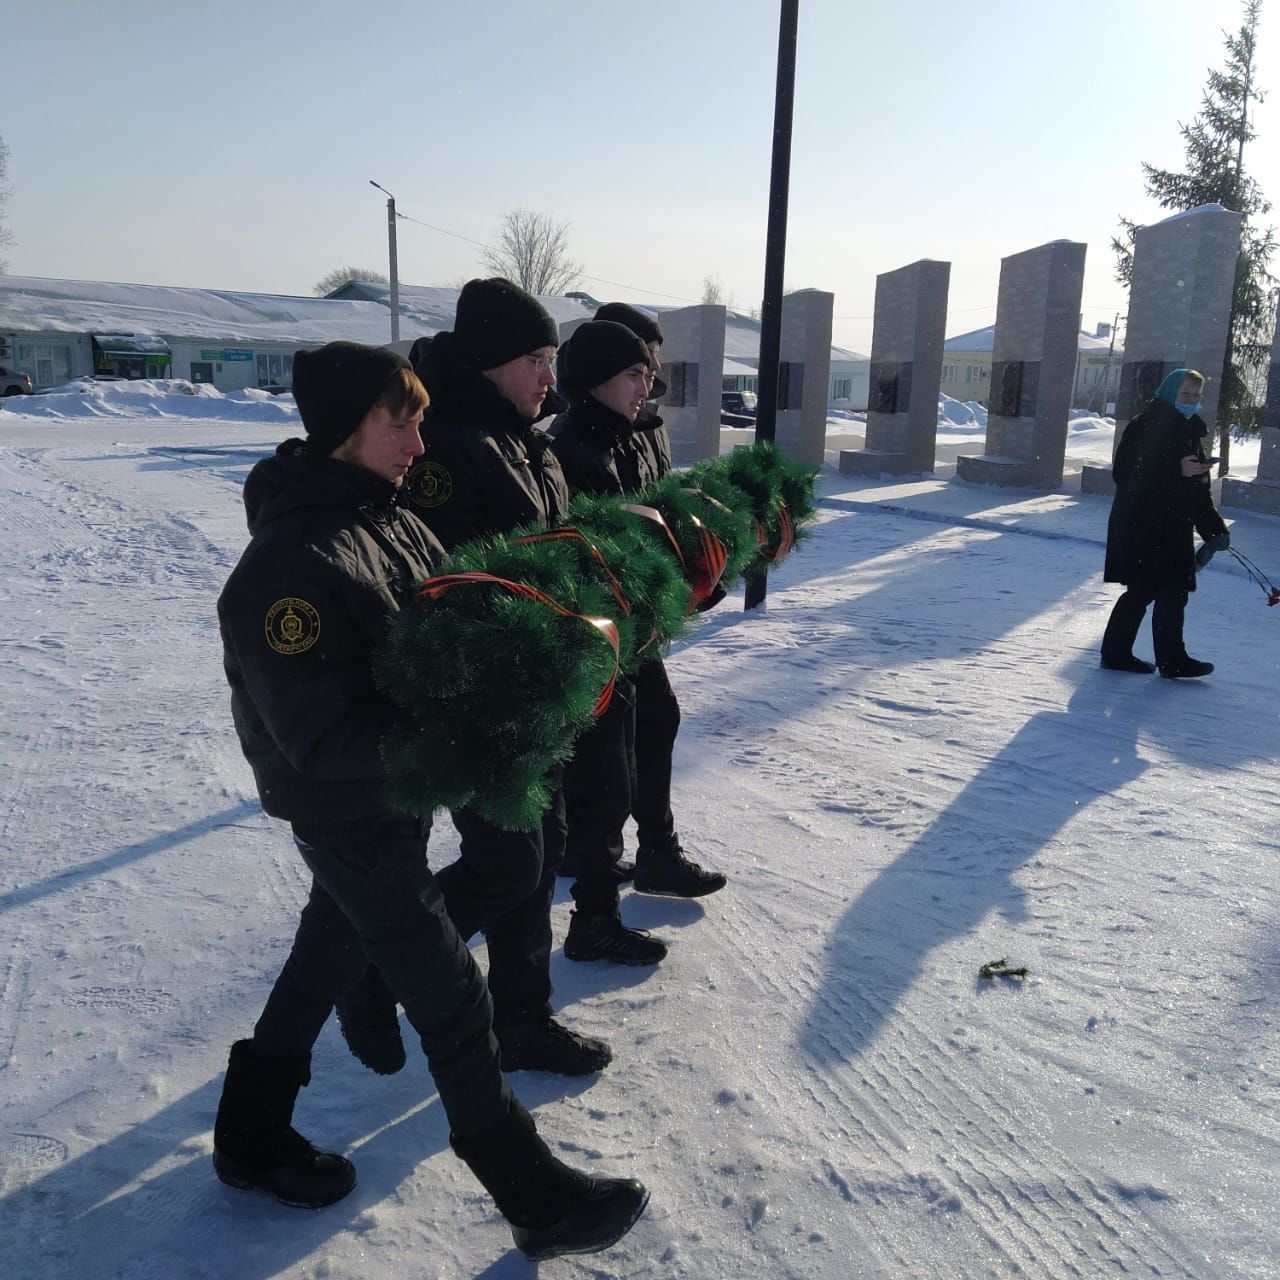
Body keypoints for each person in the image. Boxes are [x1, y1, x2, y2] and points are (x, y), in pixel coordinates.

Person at [213, 340, 646, 1259]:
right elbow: (320, 738)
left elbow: (441, 628)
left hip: (394, 796)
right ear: (341, 432)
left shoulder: (387, 518)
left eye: (416, 419)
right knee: (451, 996)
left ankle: (249, 1135)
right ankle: (530, 1192)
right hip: (344, 807)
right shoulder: (287, 566)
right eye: (396, 422)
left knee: (321, 961)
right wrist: (461, 738)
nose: (418, 442)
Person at [548, 319, 726, 967]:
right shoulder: (570, 450)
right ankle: (596, 907)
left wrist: (696, 564)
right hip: (598, 635)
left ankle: (650, 856)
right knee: (603, 777)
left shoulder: (621, 437)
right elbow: (589, 556)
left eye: (649, 373)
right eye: (634, 373)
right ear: (594, 380)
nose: (647, 383)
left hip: (634, 629)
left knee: (652, 729)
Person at [592, 302, 728, 897]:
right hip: (613, 614)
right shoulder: (586, 435)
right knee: (618, 741)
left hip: (641, 610)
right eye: (642, 355)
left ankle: (632, 851)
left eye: (653, 353)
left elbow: (661, 506)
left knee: (644, 727)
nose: (653, 364)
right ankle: (623, 860)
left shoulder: (645, 424)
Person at [1101, 367, 1229, 679]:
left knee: (1169, 592)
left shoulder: (1189, 430)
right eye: (1185, 394)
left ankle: (1163, 659)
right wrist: (1176, 471)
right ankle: (1133, 656)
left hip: (1172, 527)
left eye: (1196, 395)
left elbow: (1197, 490)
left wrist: (1214, 530)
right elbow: (1127, 475)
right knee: (1145, 590)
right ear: (1170, 392)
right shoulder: (1145, 426)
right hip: (1142, 525)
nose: (1191, 400)